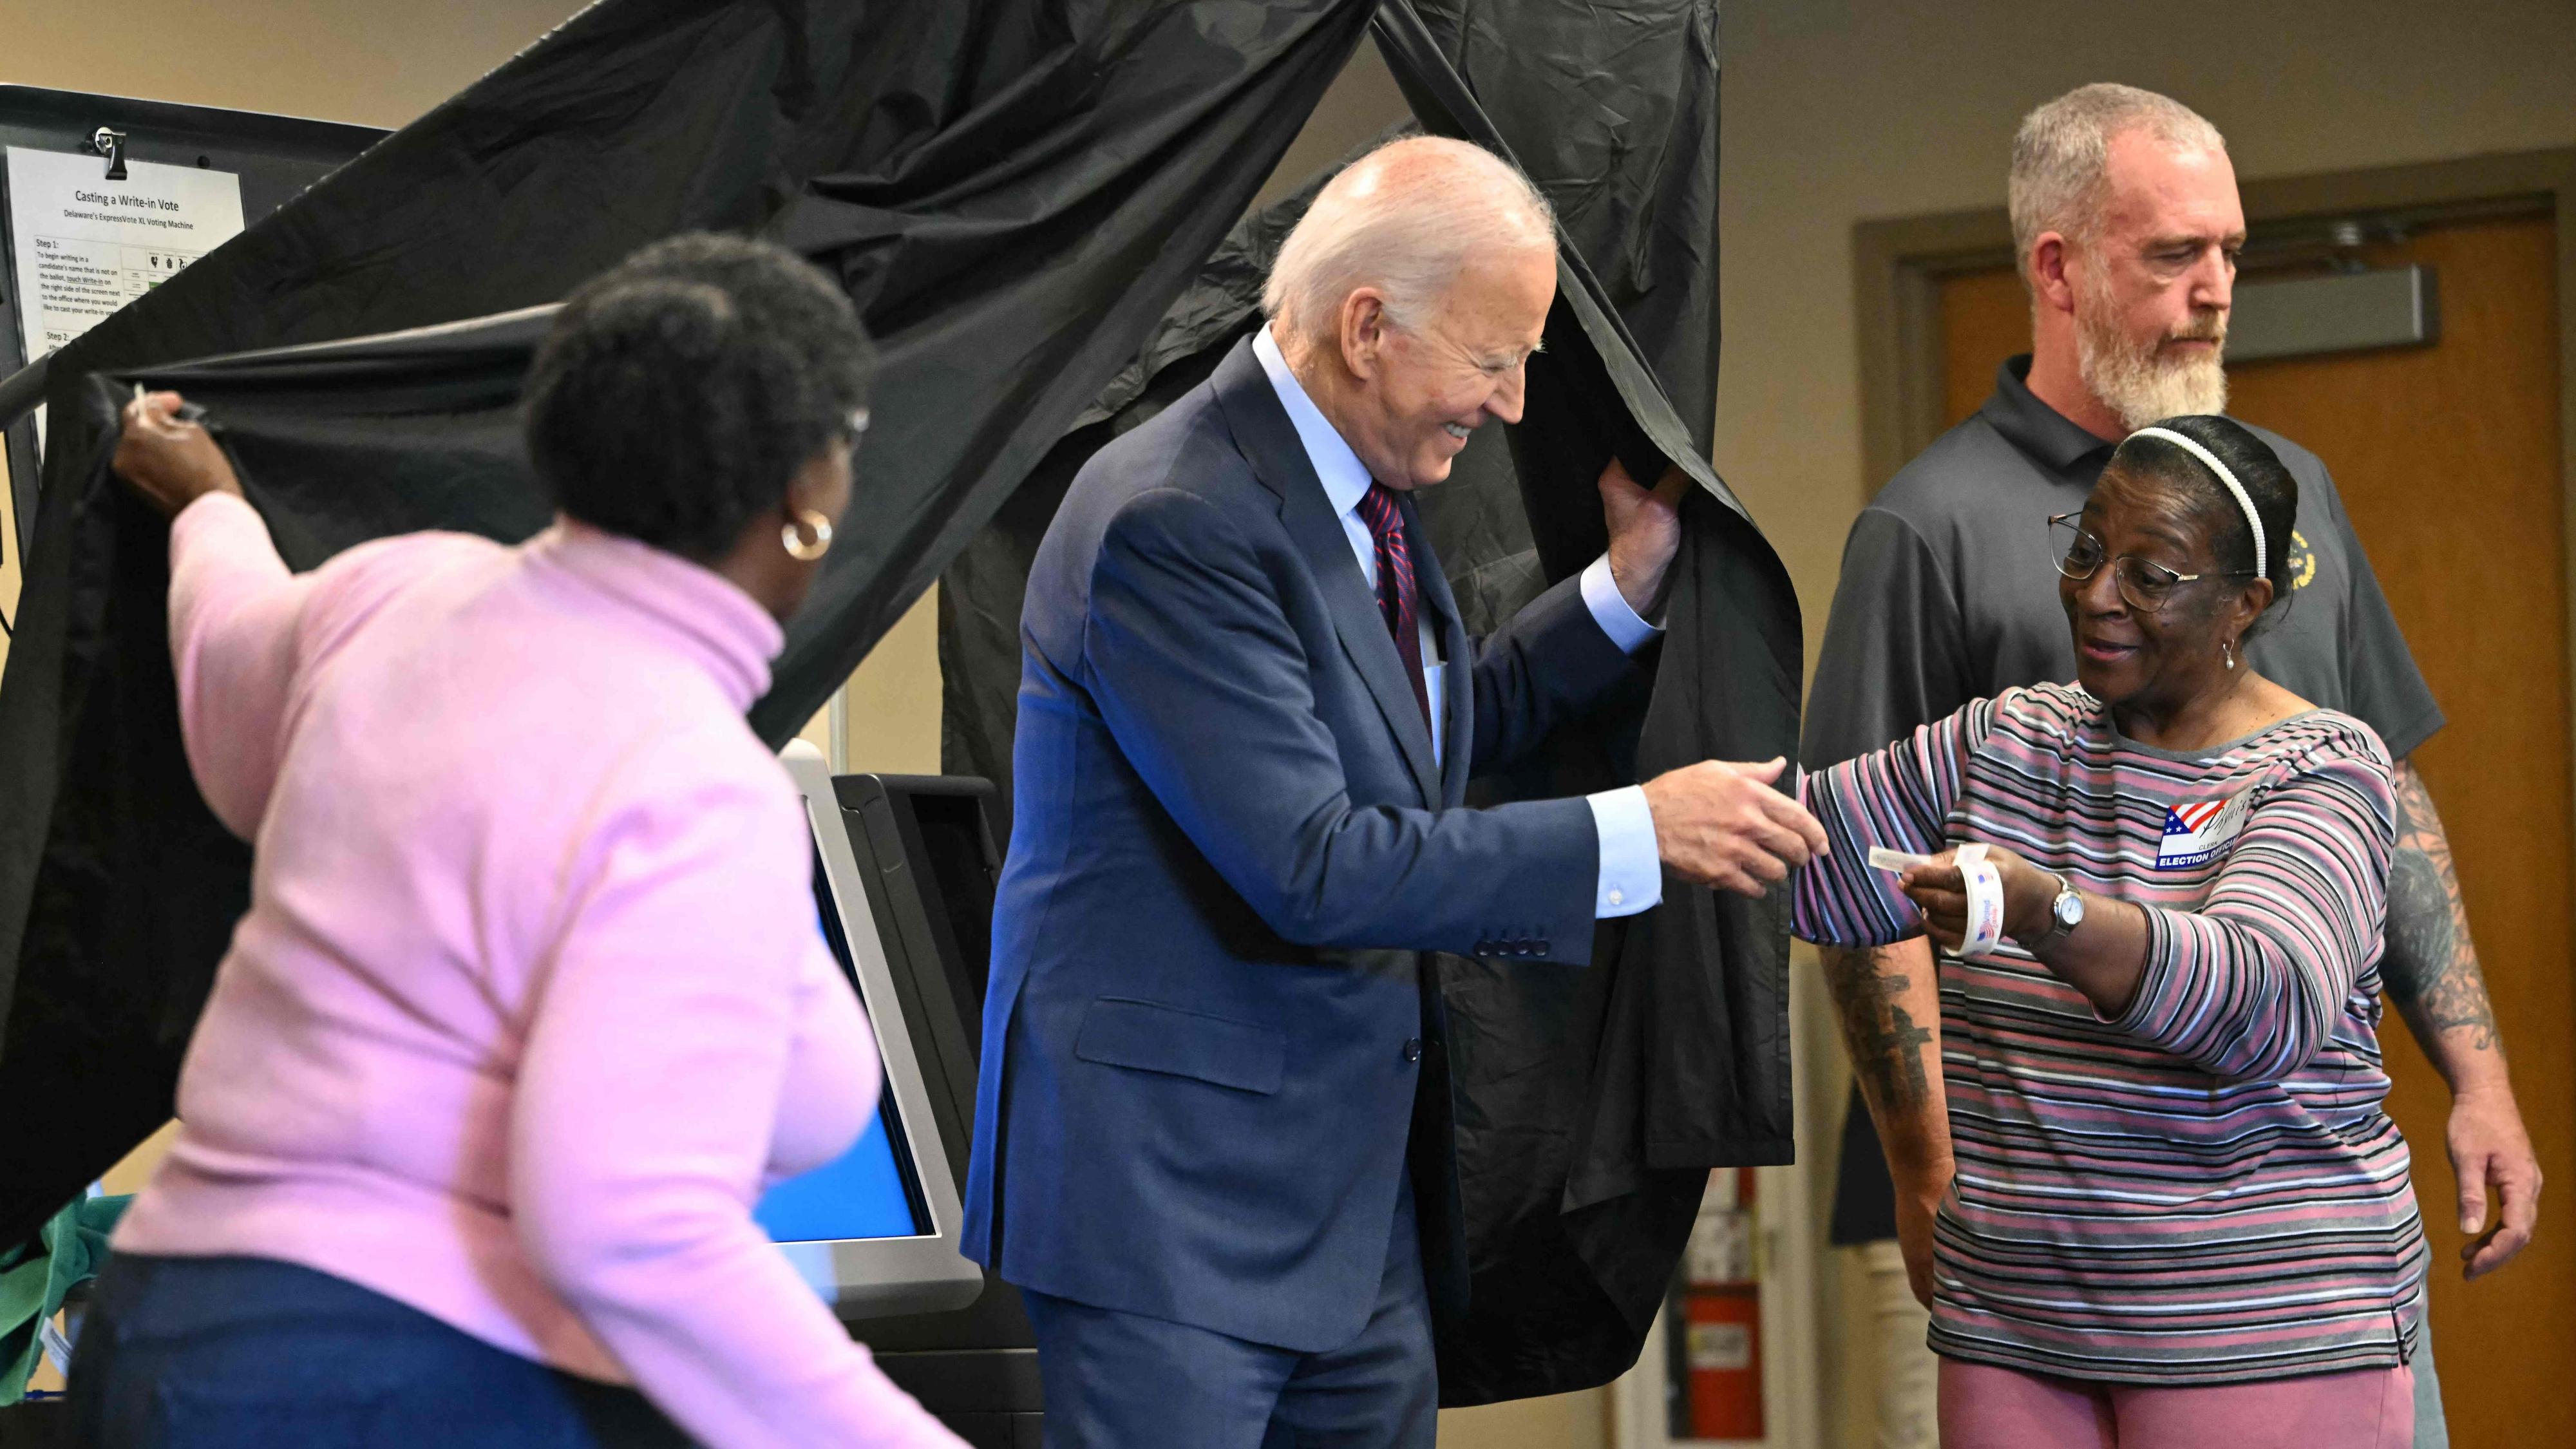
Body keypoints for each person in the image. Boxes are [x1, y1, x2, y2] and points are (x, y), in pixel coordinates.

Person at [963, 135, 1828, 1448]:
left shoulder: (1353, 486)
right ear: (1366, 326)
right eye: (1492, 360)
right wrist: (1634, 833)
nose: (1514, 404)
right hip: (1170, 1213)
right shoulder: (1169, 517)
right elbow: (1314, 859)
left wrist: (1624, 590)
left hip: (1349, 1216)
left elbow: (1424, 725)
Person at [66, 235, 962, 1448]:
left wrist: (211, 506)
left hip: (163, 1322)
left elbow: (226, 672)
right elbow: (624, 1223)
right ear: (808, 501)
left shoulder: (392, 595)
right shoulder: (692, 780)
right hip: (411, 1379)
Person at [1805, 82, 2540, 1448]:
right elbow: (1859, 873)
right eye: (2169, 256)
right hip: (2031, 1237)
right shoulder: (1928, 527)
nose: (2213, 293)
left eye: (2227, 256)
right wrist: (1923, 1169)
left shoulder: (2288, 495)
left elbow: (2387, 800)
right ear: (2056, 267)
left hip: (2279, 1238)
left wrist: (2476, 1078)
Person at [1798, 415, 2427, 1447]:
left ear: (2246, 604)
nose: (2095, 593)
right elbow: (1806, 864)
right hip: (2016, 1326)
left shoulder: (2320, 767)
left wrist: (2046, 910)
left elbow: (2255, 1004)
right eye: (2088, 550)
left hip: (2256, 1326)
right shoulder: (2010, 738)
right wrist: (1616, 831)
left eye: (2151, 575)